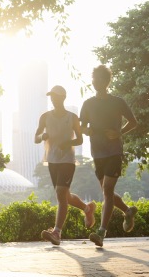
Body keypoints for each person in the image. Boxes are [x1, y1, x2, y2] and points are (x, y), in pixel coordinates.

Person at [80, 65, 138, 247]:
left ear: (106, 81)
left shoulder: (118, 102)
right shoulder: (88, 104)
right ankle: (128, 211)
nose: (95, 82)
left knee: (107, 191)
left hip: (114, 151)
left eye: (98, 79)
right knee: (108, 192)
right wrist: (86, 130)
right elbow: (81, 127)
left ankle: (101, 233)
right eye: (93, 78)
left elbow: (134, 122)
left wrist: (119, 132)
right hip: (97, 153)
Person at [35, 85, 97, 246]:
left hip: (68, 160)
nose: (53, 99)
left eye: (56, 96)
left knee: (61, 193)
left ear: (63, 98)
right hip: (52, 160)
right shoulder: (45, 117)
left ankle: (57, 232)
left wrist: (68, 142)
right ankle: (87, 208)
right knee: (65, 196)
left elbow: (80, 140)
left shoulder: (72, 117)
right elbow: (36, 137)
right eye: (51, 97)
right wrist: (43, 136)